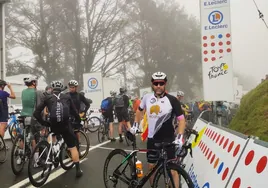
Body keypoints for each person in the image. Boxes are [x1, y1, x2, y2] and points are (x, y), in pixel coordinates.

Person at [132, 72, 186, 187]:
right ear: (152, 84)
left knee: (173, 170)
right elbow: (139, 110)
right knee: (151, 168)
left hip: (169, 140)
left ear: (165, 84)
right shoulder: (147, 98)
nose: (158, 86)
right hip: (153, 139)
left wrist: (180, 136)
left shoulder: (172, 100)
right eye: (156, 83)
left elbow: (181, 120)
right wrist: (136, 124)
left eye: (161, 83)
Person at [33, 80, 83, 178]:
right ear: (61, 89)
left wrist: (44, 123)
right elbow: (75, 112)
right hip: (65, 125)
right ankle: (78, 170)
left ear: (52, 89)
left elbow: (36, 113)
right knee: (72, 147)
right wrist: (78, 121)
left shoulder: (48, 97)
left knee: (53, 135)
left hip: (53, 125)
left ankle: (52, 153)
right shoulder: (67, 97)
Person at [20, 76, 44, 165]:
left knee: (23, 136)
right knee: (34, 137)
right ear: (33, 83)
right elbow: (39, 107)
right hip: (32, 116)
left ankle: (20, 157)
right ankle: (36, 161)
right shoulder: (37, 92)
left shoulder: (23, 92)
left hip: (23, 115)